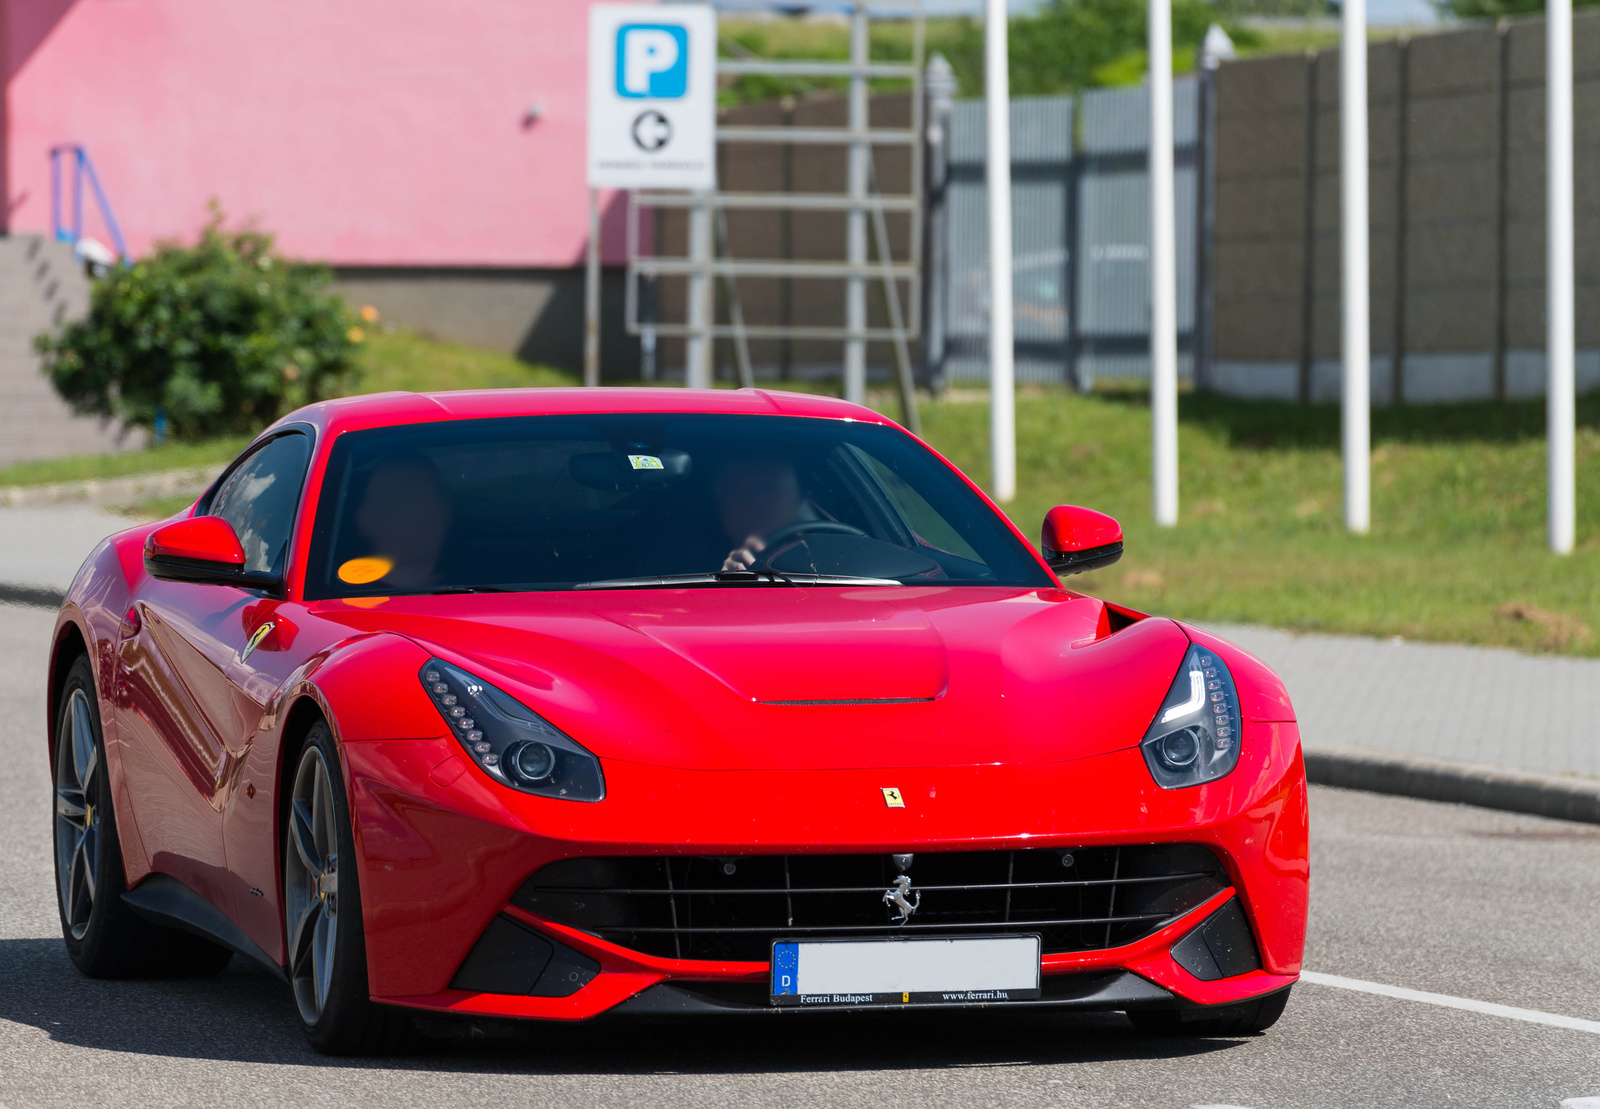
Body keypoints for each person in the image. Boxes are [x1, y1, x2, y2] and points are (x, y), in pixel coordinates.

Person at [351, 454, 453, 589]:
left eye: (424, 499)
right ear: (363, 517)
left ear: (445, 511)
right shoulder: (343, 602)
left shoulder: (478, 590)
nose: (411, 513)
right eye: (392, 500)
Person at [714, 455, 817, 572]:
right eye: (736, 494)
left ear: (800, 498)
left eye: (767, 490)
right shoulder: (696, 576)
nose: (752, 504)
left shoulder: (829, 551)